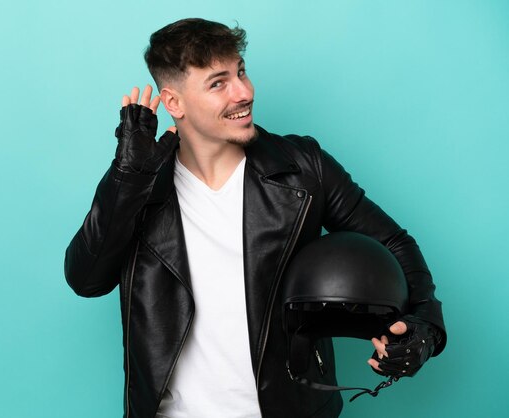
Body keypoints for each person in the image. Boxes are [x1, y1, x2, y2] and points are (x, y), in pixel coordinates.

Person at [64, 18, 446, 418]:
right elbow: (86, 279)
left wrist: (423, 326)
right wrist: (128, 177)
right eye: (218, 82)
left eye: (241, 72)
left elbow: (393, 243)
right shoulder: (140, 183)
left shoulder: (303, 167)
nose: (243, 92)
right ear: (173, 103)